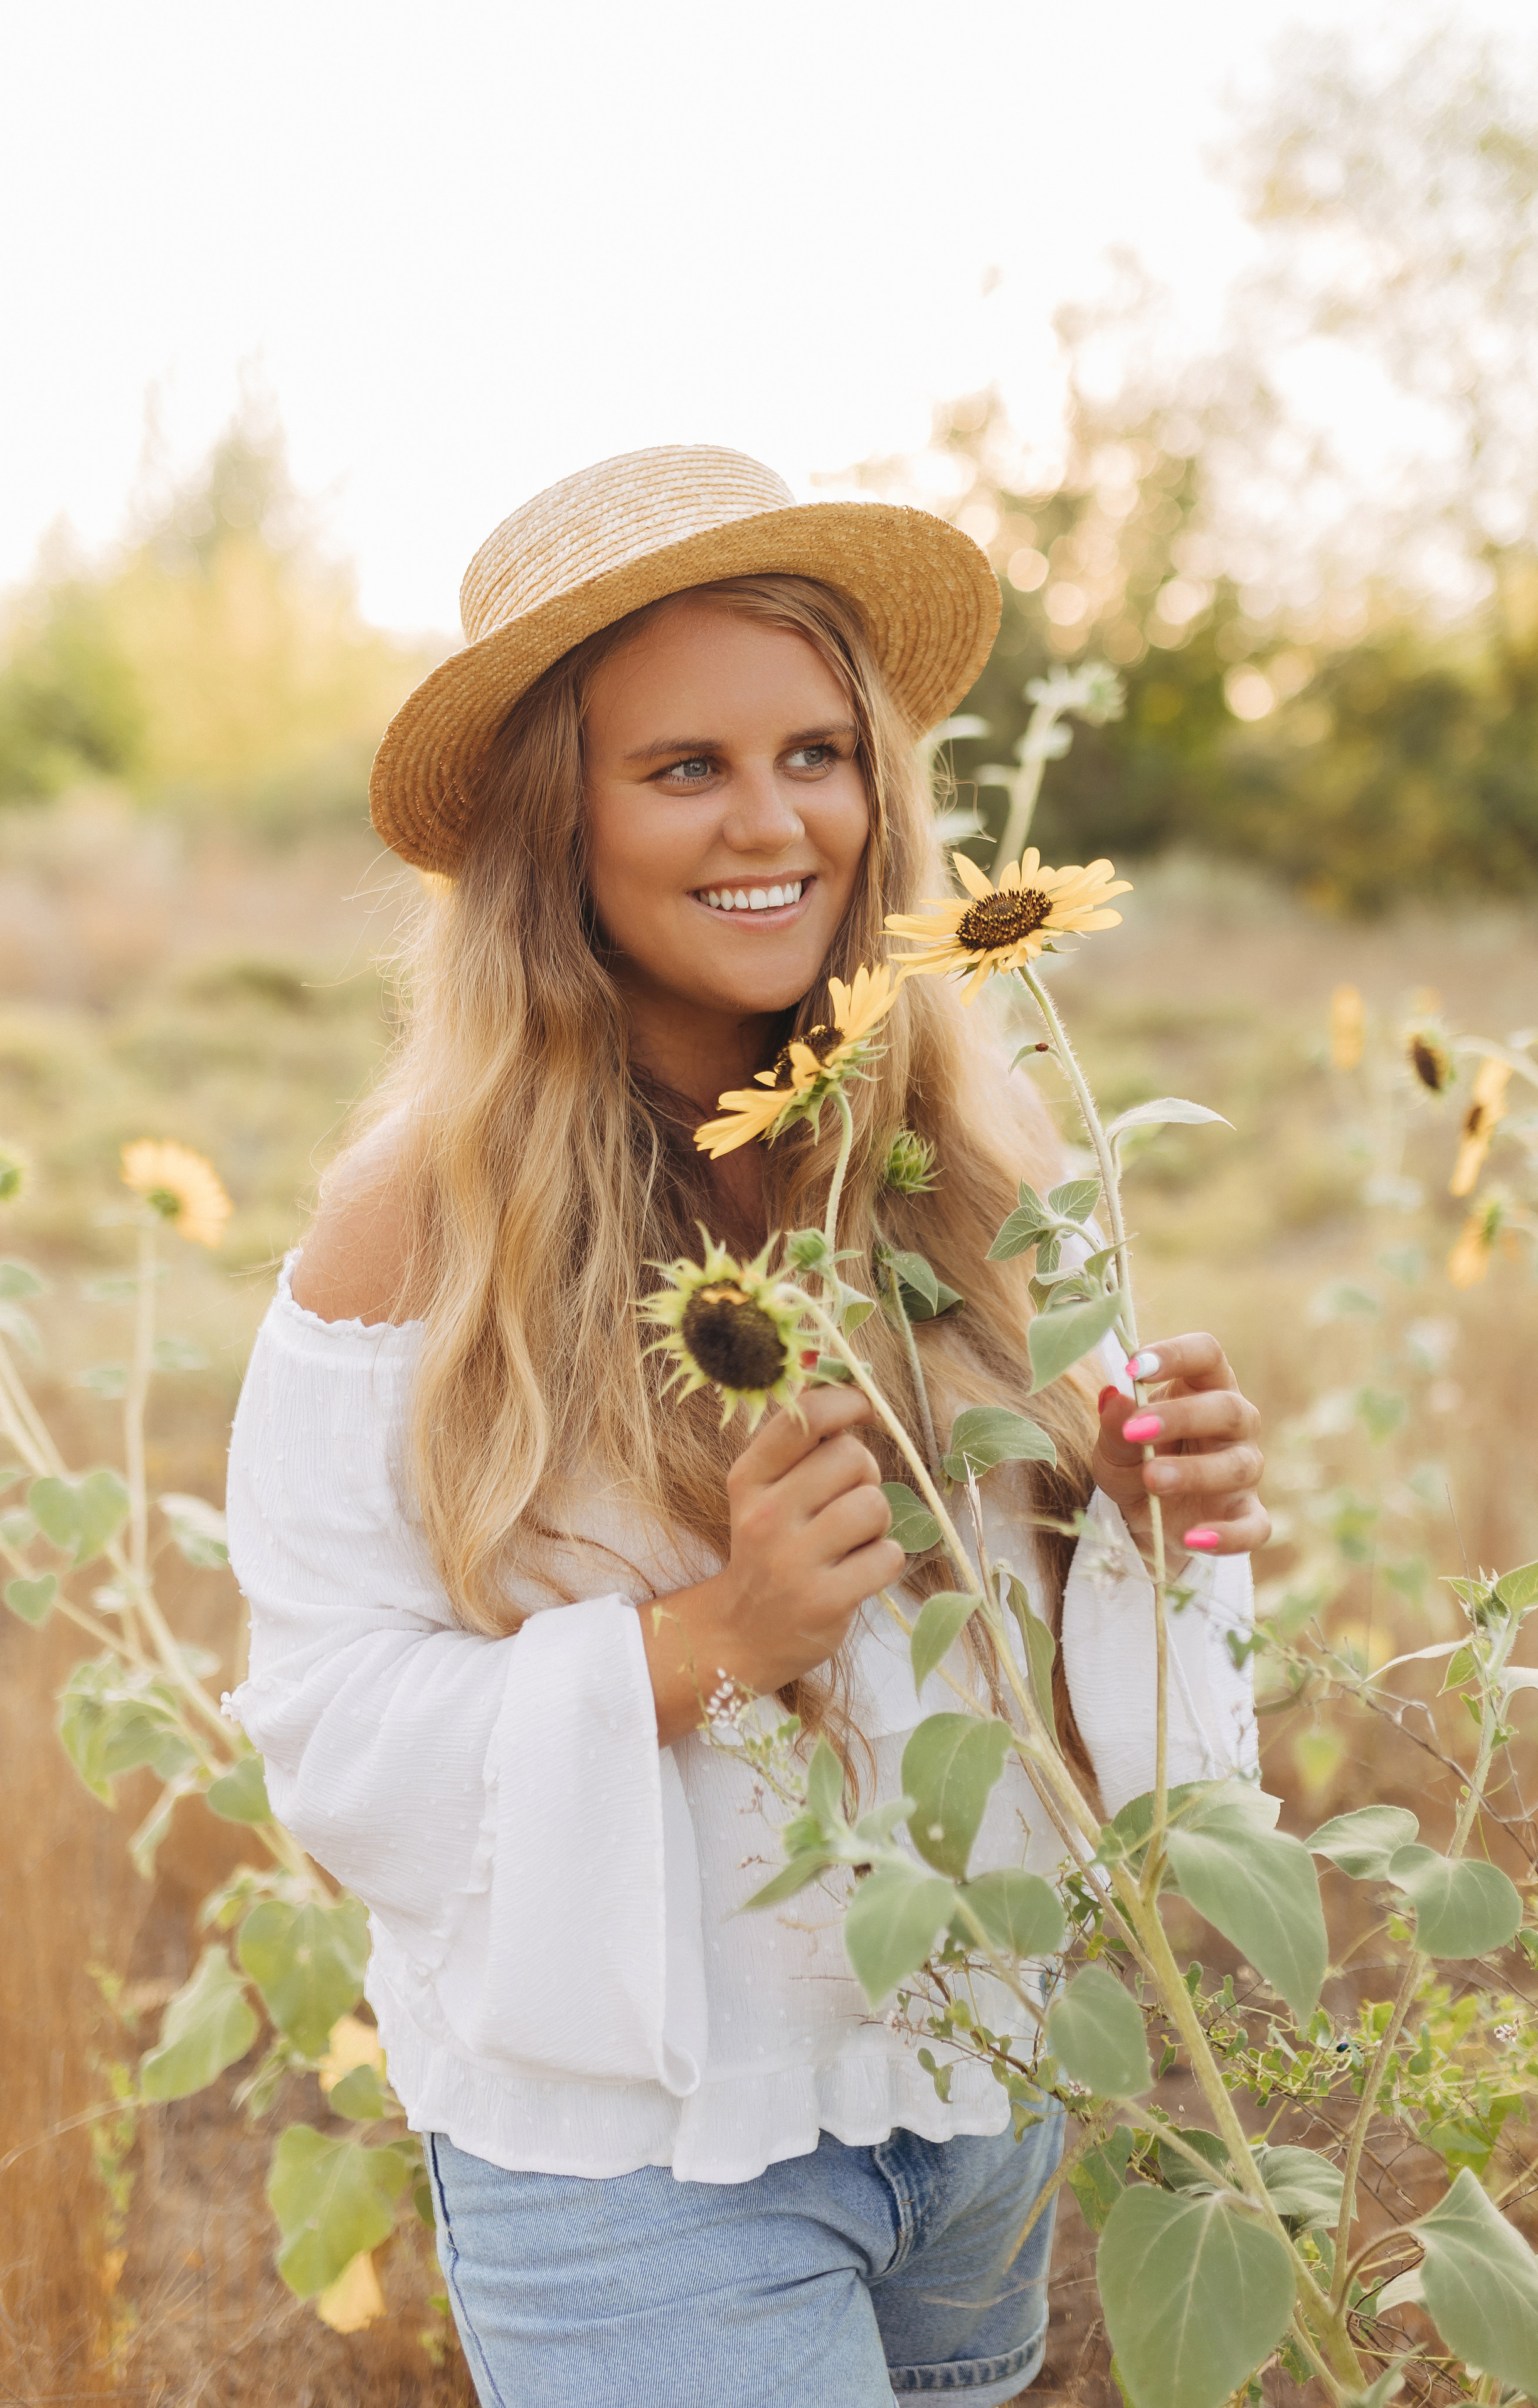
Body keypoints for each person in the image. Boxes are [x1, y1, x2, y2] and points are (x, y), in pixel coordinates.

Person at [226, 445, 1270, 2407]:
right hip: (639, 2158)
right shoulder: (421, 1225)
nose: (772, 819)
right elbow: (333, 1732)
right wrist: (717, 1643)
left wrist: (1133, 1515)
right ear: (562, 824)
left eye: (816, 751)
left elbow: (1054, 1702)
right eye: (685, 768)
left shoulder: (966, 1164)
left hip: (977, 2098)